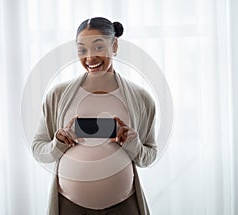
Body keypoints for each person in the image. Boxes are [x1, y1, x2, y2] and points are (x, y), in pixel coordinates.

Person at [32, 17, 157, 215]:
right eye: (82, 50)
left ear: (114, 45)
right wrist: (59, 143)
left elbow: (149, 157)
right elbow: (38, 149)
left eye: (99, 47)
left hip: (124, 206)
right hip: (69, 206)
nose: (90, 58)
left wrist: (133, 143)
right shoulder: (57, 95)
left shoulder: (141, 99)